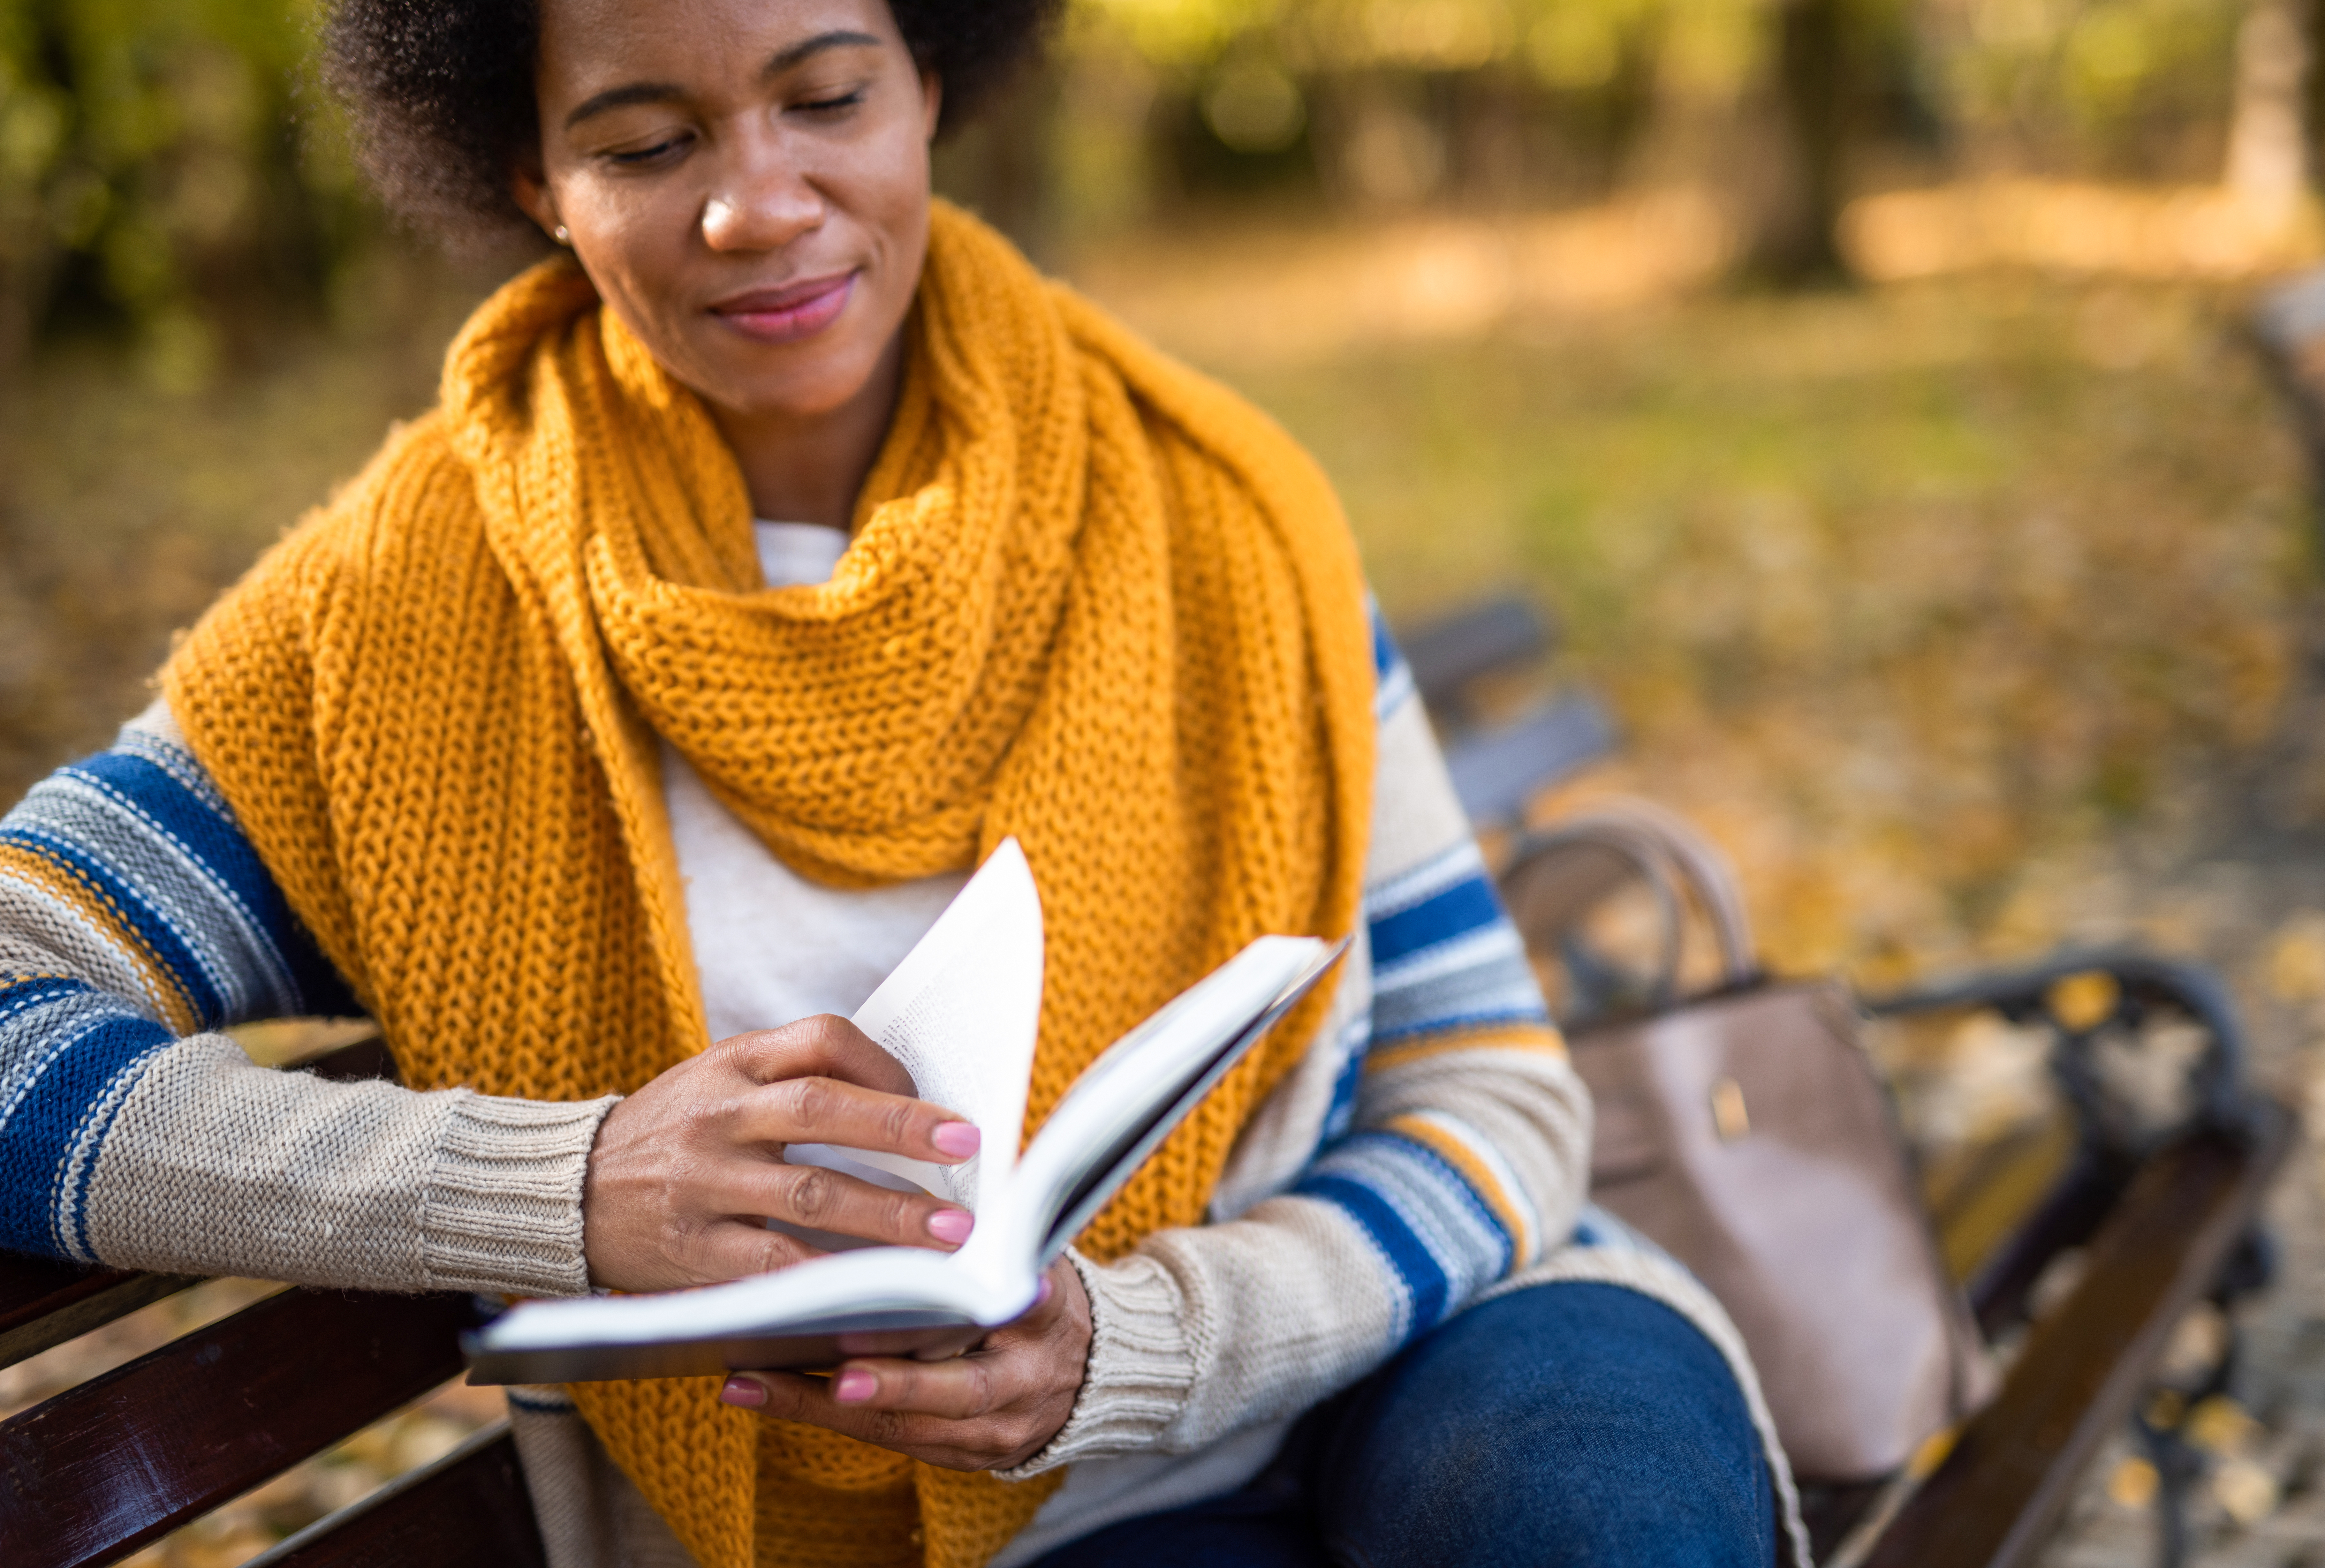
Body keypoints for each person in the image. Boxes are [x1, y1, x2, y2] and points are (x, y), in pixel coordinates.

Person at [0, 2, 1799, 1564]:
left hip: (1408, 1338)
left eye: (829, 97)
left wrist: (1156, 1341)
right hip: (1030, 1535)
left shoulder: (1219, 508)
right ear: (533, 179)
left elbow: (1492, 1084)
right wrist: (562, 1187)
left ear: (934, 78)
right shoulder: (388, 632)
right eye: (642, 140)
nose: (757, 203)